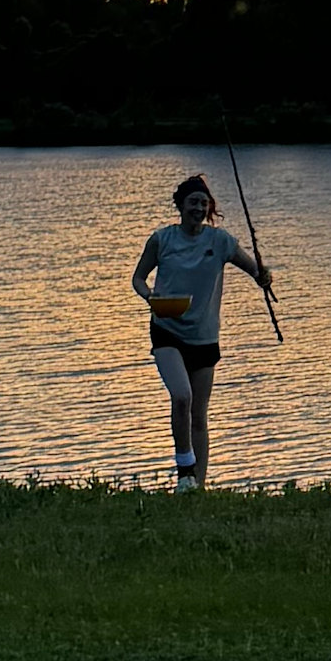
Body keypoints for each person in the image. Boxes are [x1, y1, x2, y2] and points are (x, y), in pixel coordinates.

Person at [130, 170, 272, 487]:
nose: (198, 208)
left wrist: (264, 277)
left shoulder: (220, 241)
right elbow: (138, 279)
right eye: (193, 202)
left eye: (203, 203)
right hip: (166, 328)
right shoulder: (162, 239)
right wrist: (150, 296)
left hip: (205, 337)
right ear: (180, 205)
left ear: (209, 209)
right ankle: (184, 473)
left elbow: (255, 271)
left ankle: (199, 486)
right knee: (182, 397)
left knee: (198, 414)